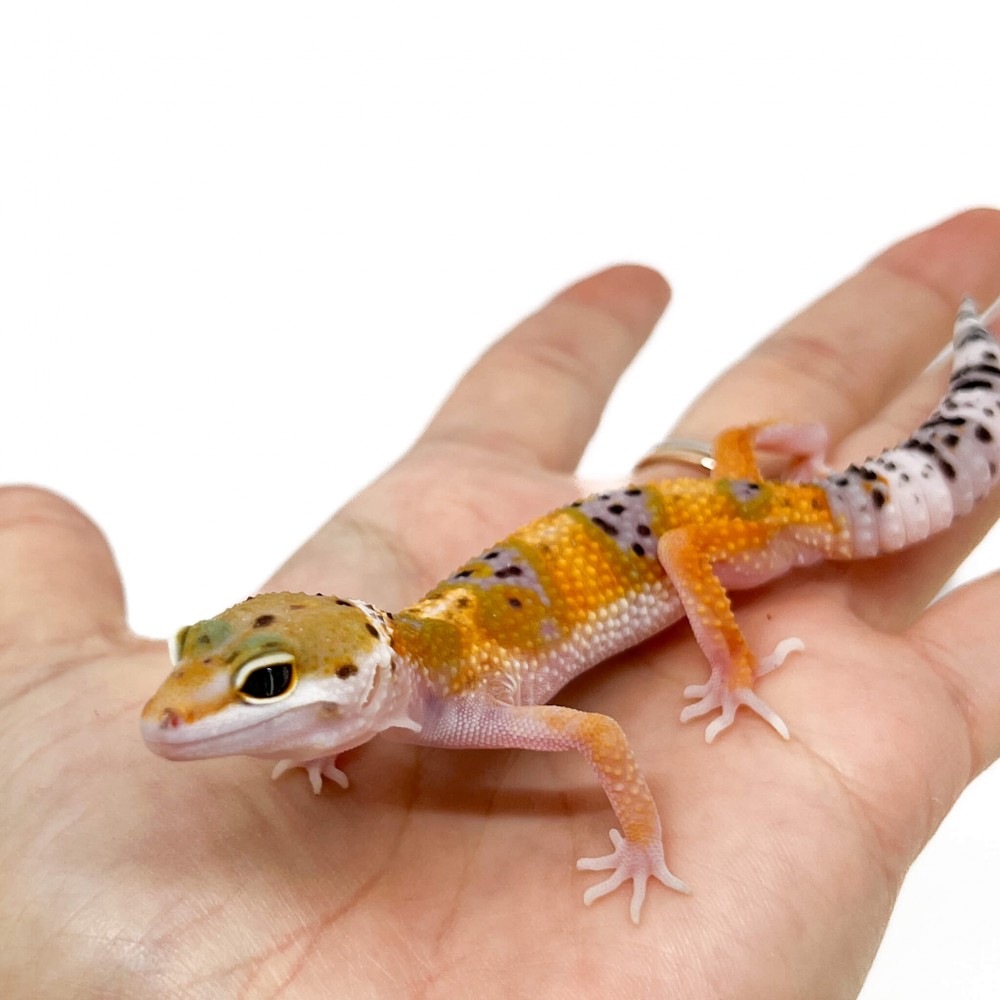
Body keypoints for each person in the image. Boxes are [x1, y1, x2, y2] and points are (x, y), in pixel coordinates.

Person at [3, 210, 1000, 999]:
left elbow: (600, 735)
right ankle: (877, 416)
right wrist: (315, 736)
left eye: (263, 685)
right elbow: (346, 705)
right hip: (710, 501)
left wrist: (646, 838)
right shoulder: (396, 687)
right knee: (711, 495)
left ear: (362, 672)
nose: (180, 711)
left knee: (689, 543)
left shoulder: (462, 699)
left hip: (721, 529)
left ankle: (767, 620)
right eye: (216, 663)